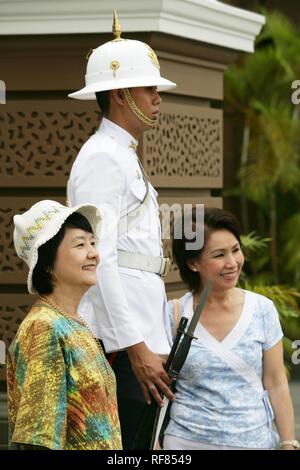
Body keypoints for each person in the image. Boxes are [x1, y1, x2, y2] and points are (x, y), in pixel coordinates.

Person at [67, 12, 176, 448]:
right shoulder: (101, 158)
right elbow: (100, 258)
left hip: (142, 330)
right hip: (125, 342)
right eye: (149, 88)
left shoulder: (121, 154)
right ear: (119, 95)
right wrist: (135, 345)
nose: (157, 98)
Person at [163, 207, 298, 450]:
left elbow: (276, 381)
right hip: (186, 442)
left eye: (235, 250)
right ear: (193, 263)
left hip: (254, 441)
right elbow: (156, 387)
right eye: (219, 255)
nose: (232, 262)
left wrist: (289, 442)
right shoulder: (174, 315)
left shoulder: (262, 310)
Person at [7, 200, 122, 450]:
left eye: (92, 242)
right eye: (80, 244)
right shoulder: (43, 328)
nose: (94, 253)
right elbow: (38, 440)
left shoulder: (74, 322)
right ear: (47, 264)